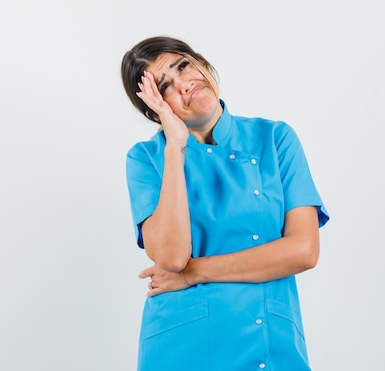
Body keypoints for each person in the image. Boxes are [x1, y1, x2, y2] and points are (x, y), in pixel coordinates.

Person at [121, 36, 329, 371]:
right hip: (182, 347)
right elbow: (172, 257)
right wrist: (175, 146)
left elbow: (304, 251)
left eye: (183, 66)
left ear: (202, 63)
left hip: (270, 341)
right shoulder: (147, 159)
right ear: (157, 110)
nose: (185, 84)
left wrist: (194, 273)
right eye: (166, 88)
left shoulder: (275, 139)